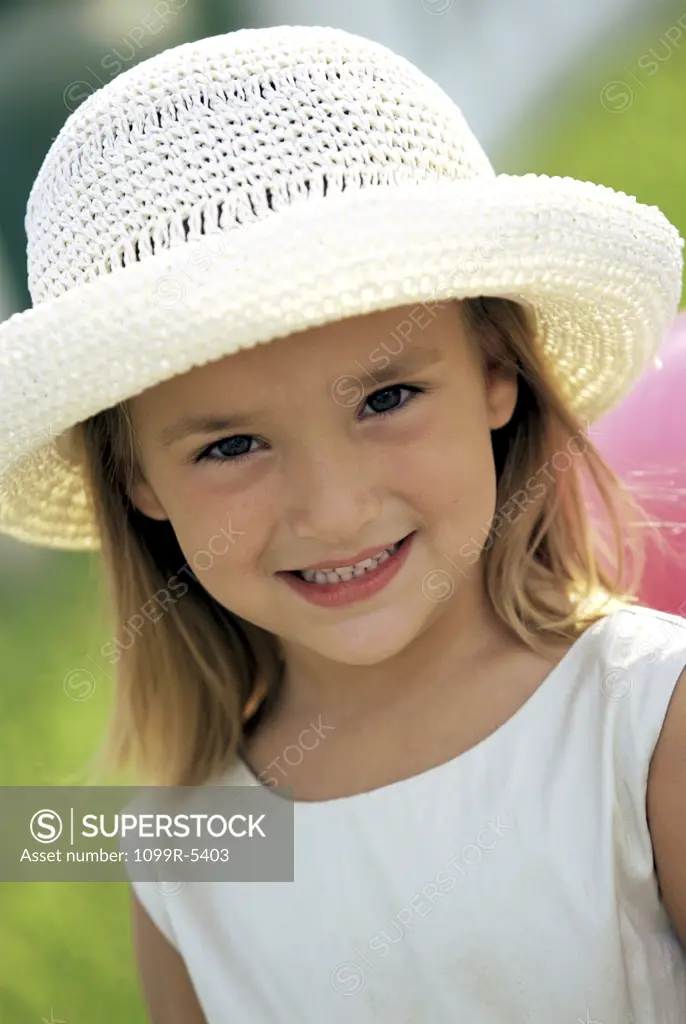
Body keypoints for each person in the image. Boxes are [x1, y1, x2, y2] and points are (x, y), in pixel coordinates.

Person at [1, 22, 685, 1024]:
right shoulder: (187, 855)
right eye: (230, 446)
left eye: (385, 398)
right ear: (138, 479)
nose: (332, 509)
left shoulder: (639, 721)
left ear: (496, 372)